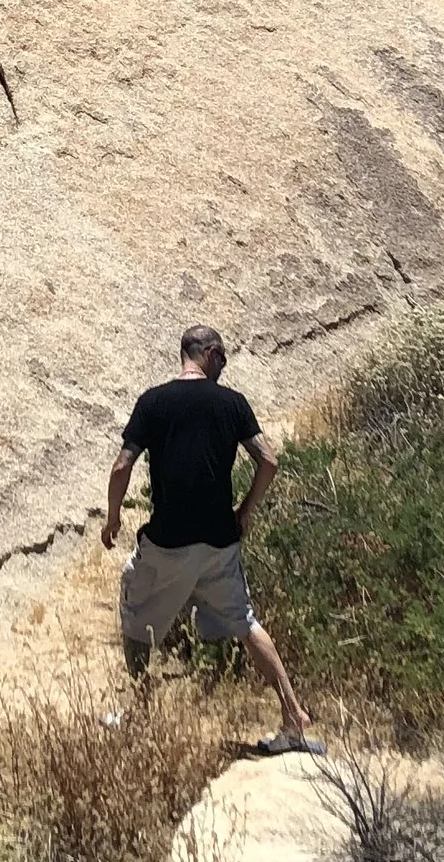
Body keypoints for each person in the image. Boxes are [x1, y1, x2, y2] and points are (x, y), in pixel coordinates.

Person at [101, 323, 322, 754]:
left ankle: (142, 717)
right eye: (223, 357)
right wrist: (244, 512)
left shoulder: (153, 402)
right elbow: (269, 460)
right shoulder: (232, 404)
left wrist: (112, 519)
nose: (225, 365)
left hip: (167, 542)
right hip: (220, 541)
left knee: (136, 620)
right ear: (210, 353)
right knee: (245, 623)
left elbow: (121, 465)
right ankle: (293, 717)